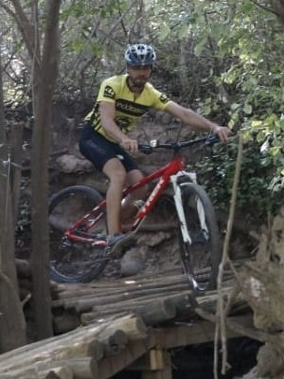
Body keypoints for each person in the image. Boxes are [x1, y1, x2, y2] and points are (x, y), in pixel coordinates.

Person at [79, 43, 232, 253]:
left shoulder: (150, 94)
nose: (141, 73)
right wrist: (124, 139)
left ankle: (112, 223)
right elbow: (106, 121)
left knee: (140, 188)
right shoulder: (112, 85)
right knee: (118, 173)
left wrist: (213, 127)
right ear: (128, 69)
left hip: (116, 142)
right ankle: (113, 234)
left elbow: (184, 113)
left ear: (151, 69)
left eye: (146, 68)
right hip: (93, 136)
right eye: (137, 68)